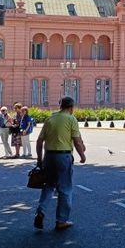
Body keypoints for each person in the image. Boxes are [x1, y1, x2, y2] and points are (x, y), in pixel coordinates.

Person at [34, 96, 86, 231]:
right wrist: (82, 155)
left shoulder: (50, 119)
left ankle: (41, 211)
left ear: (60, 106)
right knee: (65, 188)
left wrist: (39, 159)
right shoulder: (71, 119)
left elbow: (39, 142)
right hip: (63, 157)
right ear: (71, 107)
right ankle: (61, 220)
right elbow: (77, 141)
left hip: (49, 157)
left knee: (49, 185)